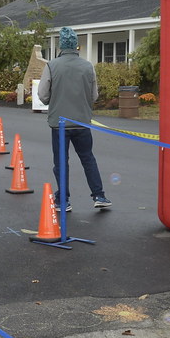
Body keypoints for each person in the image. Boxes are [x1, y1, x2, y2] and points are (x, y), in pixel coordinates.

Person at [38, 27, 111, 212]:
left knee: (61, 162)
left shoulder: (51, 66)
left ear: (61, 46)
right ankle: (99, 195)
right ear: (76, 45)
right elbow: (94, 95)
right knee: (88, 158)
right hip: (82, 121)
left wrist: (53, 100)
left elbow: (43, 95)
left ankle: (63, 200)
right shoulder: (88, 66)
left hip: (59, 123)